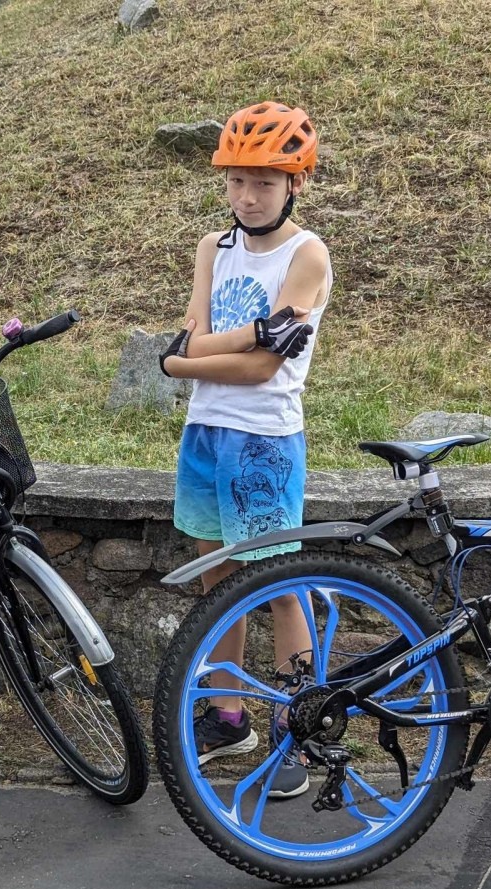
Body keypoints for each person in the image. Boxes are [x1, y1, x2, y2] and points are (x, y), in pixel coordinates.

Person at [159, 101, 331, 800]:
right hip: (204, 434)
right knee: (215, 582)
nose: (246, 196)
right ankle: (228, 718)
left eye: (264, 181)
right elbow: (189, 344)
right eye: (235, 181)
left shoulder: (306, 253)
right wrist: (249, 334)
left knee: (277, 589)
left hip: (263, 441)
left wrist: (187, 357)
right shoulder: (213, 247)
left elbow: (261, 369)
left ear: (294, 183)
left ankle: (304, 728)